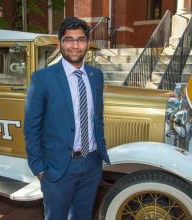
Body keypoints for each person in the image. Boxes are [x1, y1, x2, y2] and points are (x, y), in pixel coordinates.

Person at [24, 16, 110, 220]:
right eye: (68, 39)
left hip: (91, 164)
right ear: (59, 43)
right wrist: (39, 168)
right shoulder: (42, 78)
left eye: (80, 39)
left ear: (88, 44)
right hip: (58, 167)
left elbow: (97, 117)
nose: (74, 45)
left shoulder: (96, 75)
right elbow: (32, 126)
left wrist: (99, 156)